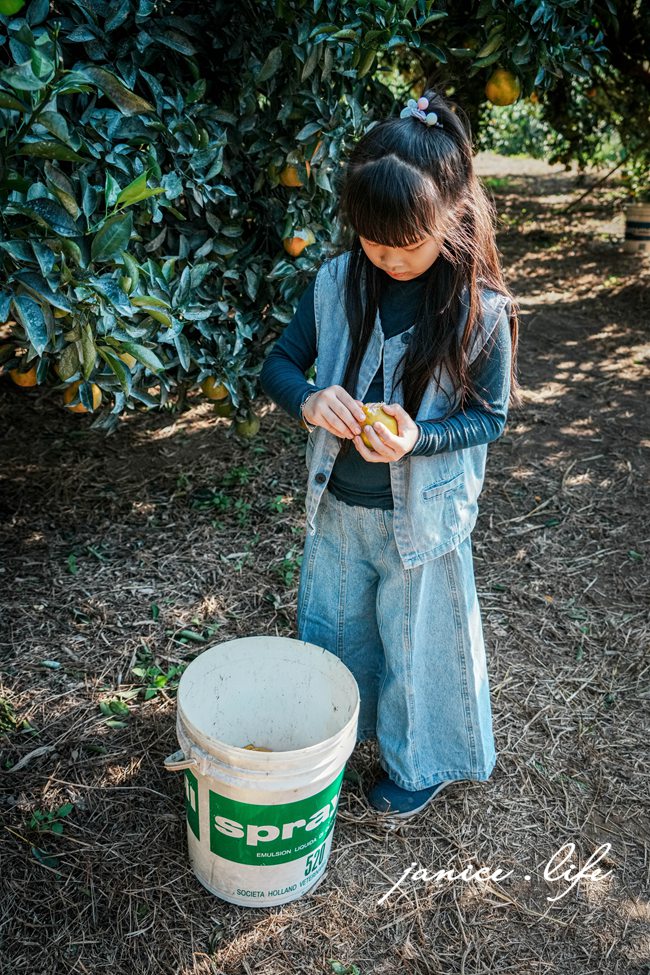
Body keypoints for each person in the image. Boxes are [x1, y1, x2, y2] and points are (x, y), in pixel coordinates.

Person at [260, 88, 522, 819]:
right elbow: (279, 364)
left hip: (424, 525)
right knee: (335, 635)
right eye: (374, 242)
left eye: (408, 243)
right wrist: (310, 398)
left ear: (453, 217)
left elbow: (488, 418)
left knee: (418, 650)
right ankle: (333, 744)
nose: (389, 258)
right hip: (338, 507)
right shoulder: (336, 282)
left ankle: (421, 761)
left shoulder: (481, 312)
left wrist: (421, 436)